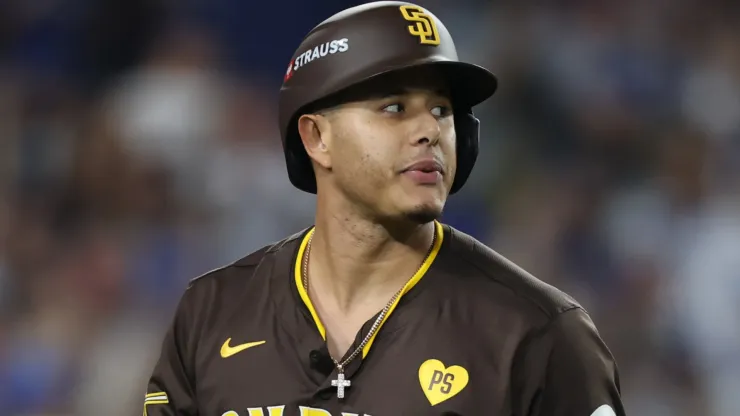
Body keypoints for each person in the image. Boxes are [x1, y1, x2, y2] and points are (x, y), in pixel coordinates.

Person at [144, 1, 626, 415]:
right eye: (394, 107)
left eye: (440, 110)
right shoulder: (211, 313)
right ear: (316, 137)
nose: (429, 131)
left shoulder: (538, 334)